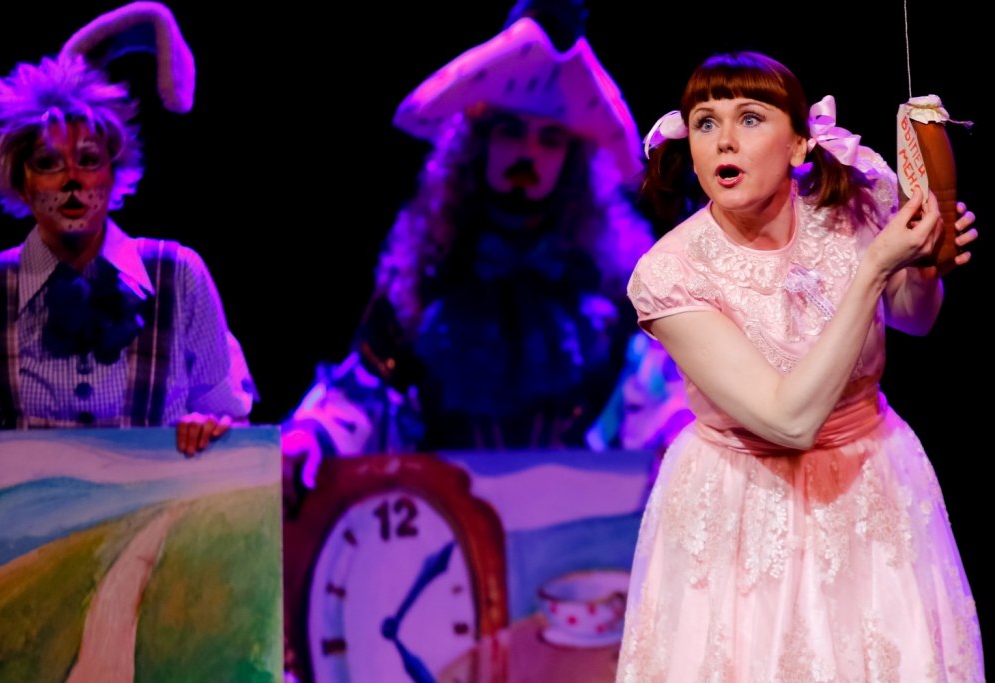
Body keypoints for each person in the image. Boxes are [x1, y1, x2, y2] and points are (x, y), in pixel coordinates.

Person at [615, 51, 983, 681]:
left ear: (798, 144)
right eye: (705, 123)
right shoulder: (669, 274)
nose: (724, 140)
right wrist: (876, 268)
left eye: (749, 118)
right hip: (740, 501)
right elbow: (788, 421)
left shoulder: (851, 210)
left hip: (870, 479)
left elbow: (914, 319)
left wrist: (922, 264)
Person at [281, 3, 689, 492]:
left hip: (573, 517)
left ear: (572, 160)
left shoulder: (608, 282)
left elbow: (654, 396)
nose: (528, 154)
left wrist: (678, 433)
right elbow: (363, 393)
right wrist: (311, 435)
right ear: (479, 143)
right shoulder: (424, 273)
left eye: (550, 140)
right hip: (444, 515)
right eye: (511, 132)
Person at [0, 3, 255, 457]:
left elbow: (233, 425)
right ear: (22, 182)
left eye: (88, 160)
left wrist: (211, 429)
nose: (71, 179)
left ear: (114, 172)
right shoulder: (1, 284)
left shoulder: (177, 275)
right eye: (48, 163)